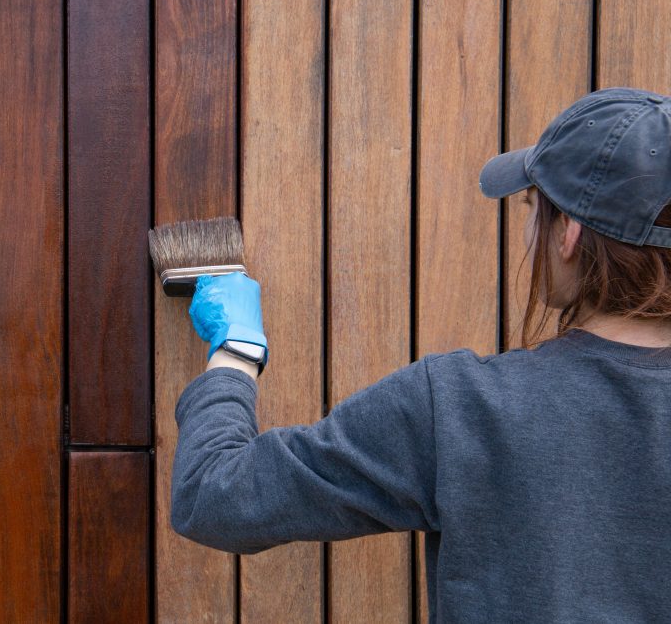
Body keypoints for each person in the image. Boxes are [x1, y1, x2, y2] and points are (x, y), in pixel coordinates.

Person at [171, 86, 671, 623]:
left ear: (568, 234)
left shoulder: (461, 409)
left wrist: (236, 353)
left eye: (532, 207)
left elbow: (214, 496)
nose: (529, 231)